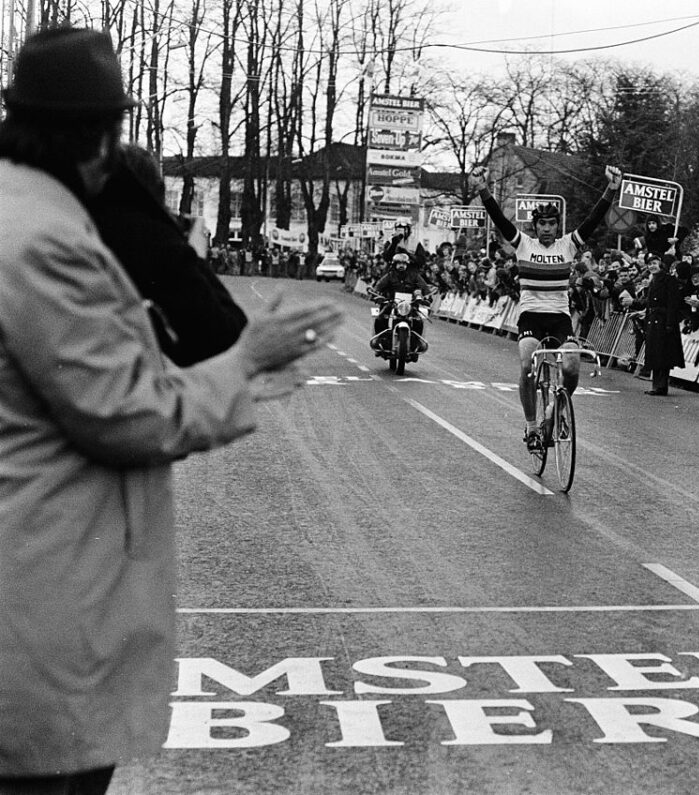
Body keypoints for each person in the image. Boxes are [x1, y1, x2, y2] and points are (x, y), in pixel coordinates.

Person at [0, 27, 343, 794]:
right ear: (102, 141)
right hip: (41, 582)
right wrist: (243, 362)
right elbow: (128, 415)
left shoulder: (18, 211)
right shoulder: (47, 240)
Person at [469, 164, 622, 450]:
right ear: (535, 226)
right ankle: (530, 425)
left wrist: (611, 189)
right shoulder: (524, 244)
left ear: (557, 226)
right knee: (527, 365)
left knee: (572, 366)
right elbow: (499, 218)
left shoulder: (568, 245)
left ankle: (558, 408)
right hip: (531, 317)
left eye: (552, 224)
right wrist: (482, 189)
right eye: (542, 224)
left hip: (559, 318)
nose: (548, 229)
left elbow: (593, 219)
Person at [88, 144, 247, 367]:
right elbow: (223, 334)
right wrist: (195, 258)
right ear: (157, 190)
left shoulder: (84, 228)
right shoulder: (154, 241)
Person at [630, 253, 684, 395]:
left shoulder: (668, 280)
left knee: (663, 354)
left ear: (661, 264)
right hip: (653, 320)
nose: (652, 266)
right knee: (655, 353)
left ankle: (661, 386)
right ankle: (656, 385)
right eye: (649, 264)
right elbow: (649, 303)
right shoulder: (653, 280)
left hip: (663, 320)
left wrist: (669, 323)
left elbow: (672, 303)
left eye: (654, 263)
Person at [371, 251, 430, 353]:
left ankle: (417, 342)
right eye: (399, 263)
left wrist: (427, 297)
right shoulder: (389, 275)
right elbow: (378, 286)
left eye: (403, 263)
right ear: (394, 264)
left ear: (407, 264)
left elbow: (424, 287)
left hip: (410, 305)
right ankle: (380, 340)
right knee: (380, 318)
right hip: (391, 303)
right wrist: (375, 294)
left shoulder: (414, 276)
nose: (401, 266)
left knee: (418, 320)